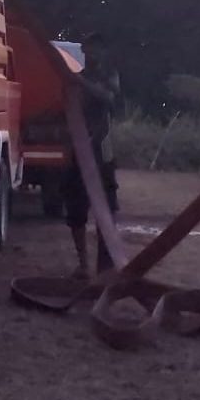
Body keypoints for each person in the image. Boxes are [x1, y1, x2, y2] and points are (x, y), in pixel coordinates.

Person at [65, 33, 121, 279]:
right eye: (89, 50)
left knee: (106, 212)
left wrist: (80, 83)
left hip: (102, 156)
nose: (93, 55)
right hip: (78, 153)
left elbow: (109, 98)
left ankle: (105, 267)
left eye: (97, 50)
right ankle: (83, 264)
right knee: (76, 212)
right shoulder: (74, 77)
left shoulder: (108, 76)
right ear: (84, 51)